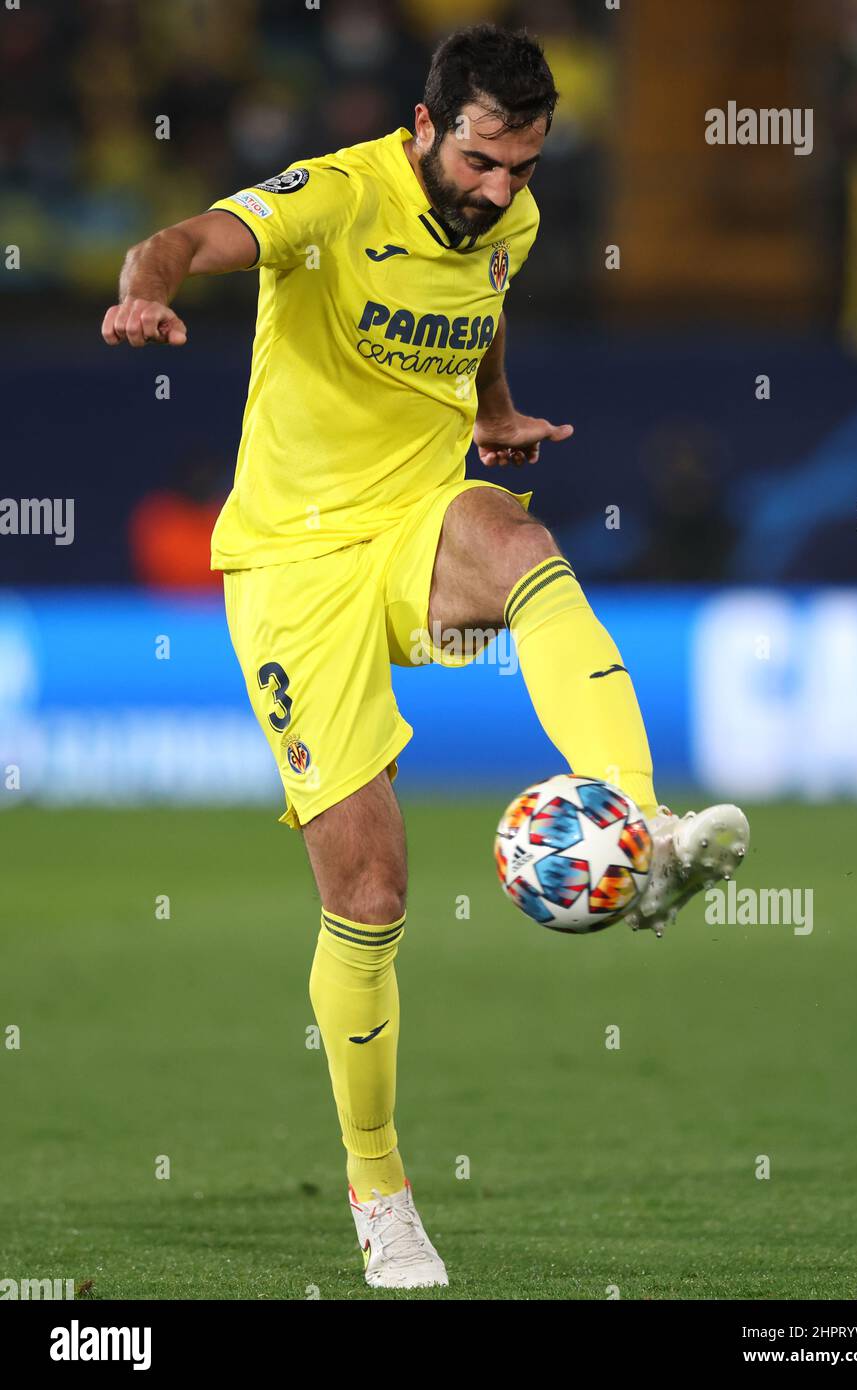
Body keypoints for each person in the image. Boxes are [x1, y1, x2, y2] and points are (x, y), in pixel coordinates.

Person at [101, 23, 749, 1291]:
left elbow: (484, 300)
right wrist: (148, 292)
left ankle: (645, 824)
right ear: (422, 126)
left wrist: (494, 408)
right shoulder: (337, 194)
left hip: (413, 522)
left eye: (522, 167)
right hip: (292, 570)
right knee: (371, 892)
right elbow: (180, 241)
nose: (500, 191)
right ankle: (381, 1192)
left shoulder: (508, 223)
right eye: (481, 161)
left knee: (521, 543)